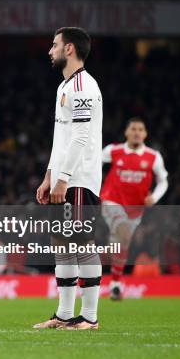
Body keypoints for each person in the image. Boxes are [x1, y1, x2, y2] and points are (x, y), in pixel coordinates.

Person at [34, 27, 103, 330]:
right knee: (61, 242)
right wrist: (49, 175)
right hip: (64, 177)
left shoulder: (83, 86)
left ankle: (89, 317)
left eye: (54, 45)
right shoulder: (64, 86)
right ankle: (64, 314)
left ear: (70, 49)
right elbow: (59, 139)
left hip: (80, 178)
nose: (50, 51)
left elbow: (80, 137)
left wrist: (63, 179)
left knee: (82, 243)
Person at [100, 117, 168, 300]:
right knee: (122, 232)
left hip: (135, 209)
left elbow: (163, 181)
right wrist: (94, 186)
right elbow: (92, 164)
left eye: (140, 129)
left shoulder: (153, 157)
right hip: (111, 201)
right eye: (133, 129)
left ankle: (115, 284)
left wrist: (154, 197)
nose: (137, 132)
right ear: (126, 132)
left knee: (122, 242)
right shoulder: (113, 151)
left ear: (145, 134)